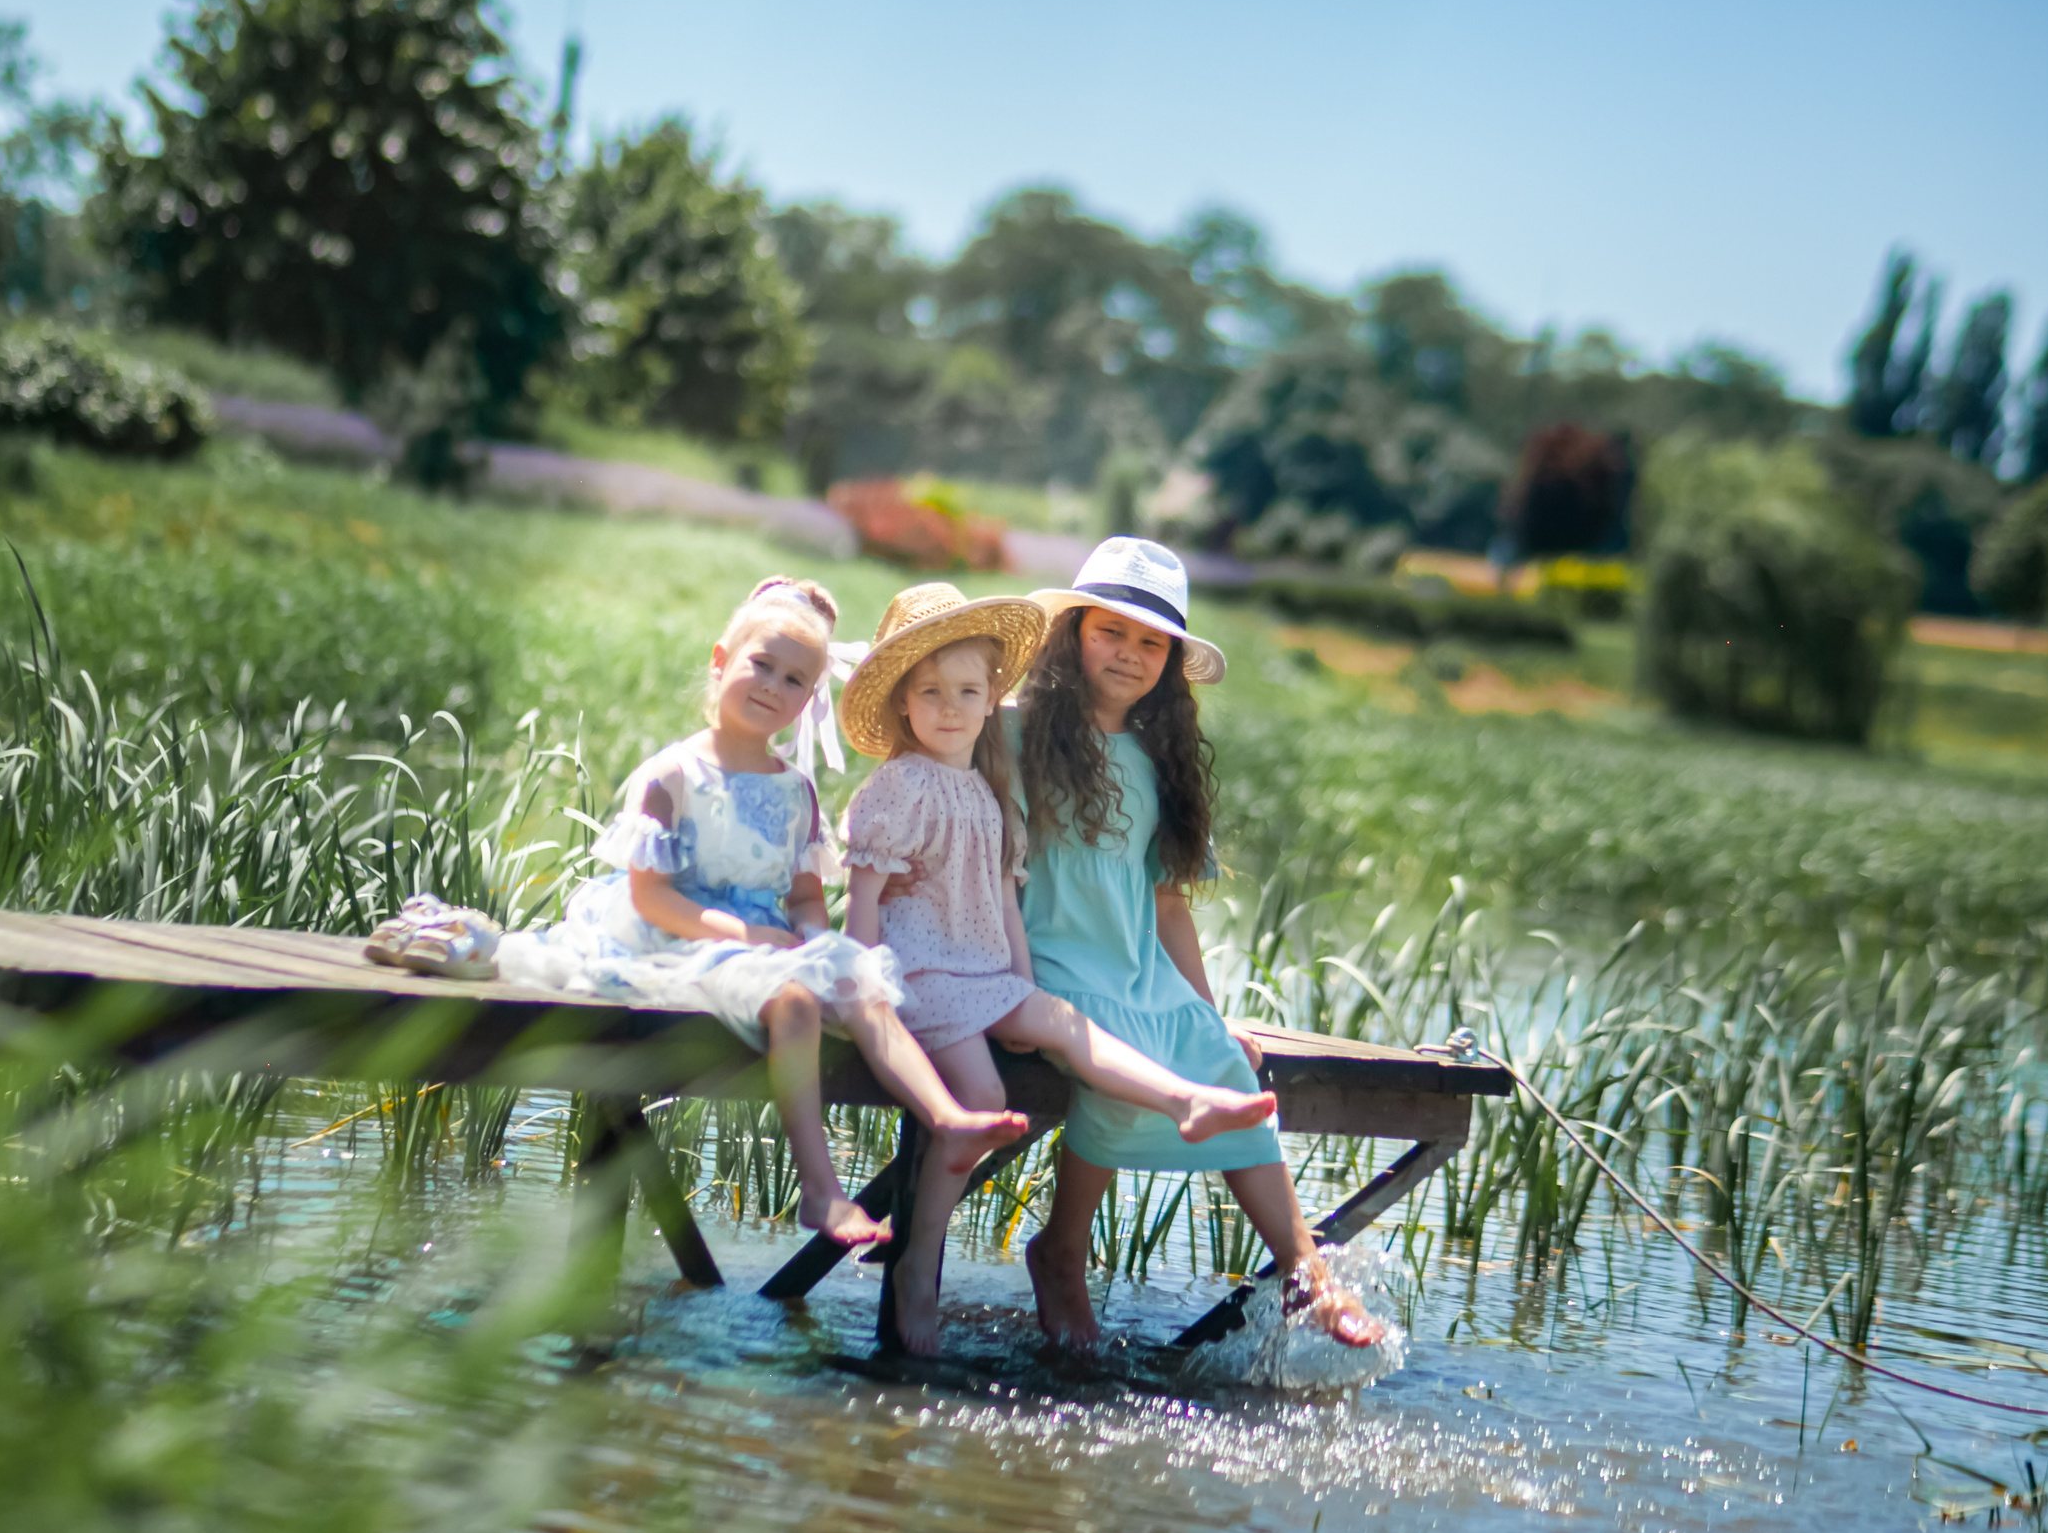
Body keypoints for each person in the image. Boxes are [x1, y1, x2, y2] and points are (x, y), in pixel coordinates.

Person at [496, 576, 1028, 1250]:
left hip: (763, 940)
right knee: (798, 1002)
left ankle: (947, 1114)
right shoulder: (672, 776)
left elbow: (806, 896)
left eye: (794, 680)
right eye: (761, 665)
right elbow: (650, 896)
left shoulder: (796, 790)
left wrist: (815, 940)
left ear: (809, 701)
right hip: (676, 933)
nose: (773, 686)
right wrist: (753, 935)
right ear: (720, 661)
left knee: (860, 979)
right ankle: (821, 1189)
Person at [836, 582, 1281, 1355]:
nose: (953, 707)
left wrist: (1020, 981)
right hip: (921, 969)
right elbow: (864, 892)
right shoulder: (931, 772)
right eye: (934, 693)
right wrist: (862, 978)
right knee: (977, 1092)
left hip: (991, 968)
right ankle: (918, 1268)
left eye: (969, 693)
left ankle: (1186, 1100)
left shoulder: (993, 783)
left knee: (1069, 1027)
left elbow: (1014, 889)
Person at [1011, 538, 1383, 1349]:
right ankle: (1061, 1251)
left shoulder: (1156, 762)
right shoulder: (1013, 732)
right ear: (1071, 631)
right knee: (1118, 1057)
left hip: (1133, 965)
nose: (1130, 654)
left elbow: (1169, 905)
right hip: (1044, 961)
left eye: (1152, 643)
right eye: (1111, 631)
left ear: (1171, 664)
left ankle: (1305, 1273)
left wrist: (1208, 1015)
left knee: (1221, 1060)